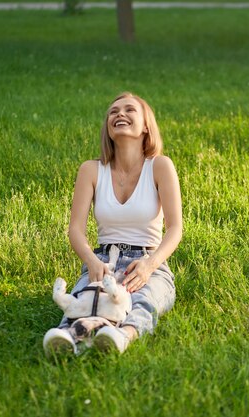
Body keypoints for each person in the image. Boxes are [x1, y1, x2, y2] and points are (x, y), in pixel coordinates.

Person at [43, 92, 182, 355]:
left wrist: (149, 266)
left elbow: (175, 228)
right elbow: (75, 229)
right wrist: (92, 262)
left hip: (147, 260)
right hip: (103, 260)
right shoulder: (91, 170)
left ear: (145, 126)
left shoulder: (160, 166)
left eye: (130, 110)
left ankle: (121, 337)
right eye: (113, 112)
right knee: (83, 299)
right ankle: (65, 338)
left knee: (142, 301)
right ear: (108, 127)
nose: (119, 114)